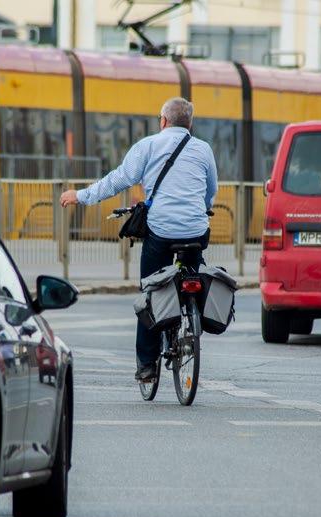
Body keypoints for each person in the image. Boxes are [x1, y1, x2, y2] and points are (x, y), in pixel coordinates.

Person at [59, 97, 217, 383]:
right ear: (189, 124)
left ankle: (146, 364)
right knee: (194, 270)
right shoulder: (203, 149)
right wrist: (201, 208)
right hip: (196, 230)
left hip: (161, 231)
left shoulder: (148, 146)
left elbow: (119, 179)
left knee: (151, 292)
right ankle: (193, 316)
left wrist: (80, 196)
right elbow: (210, 190)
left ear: (163, 121)